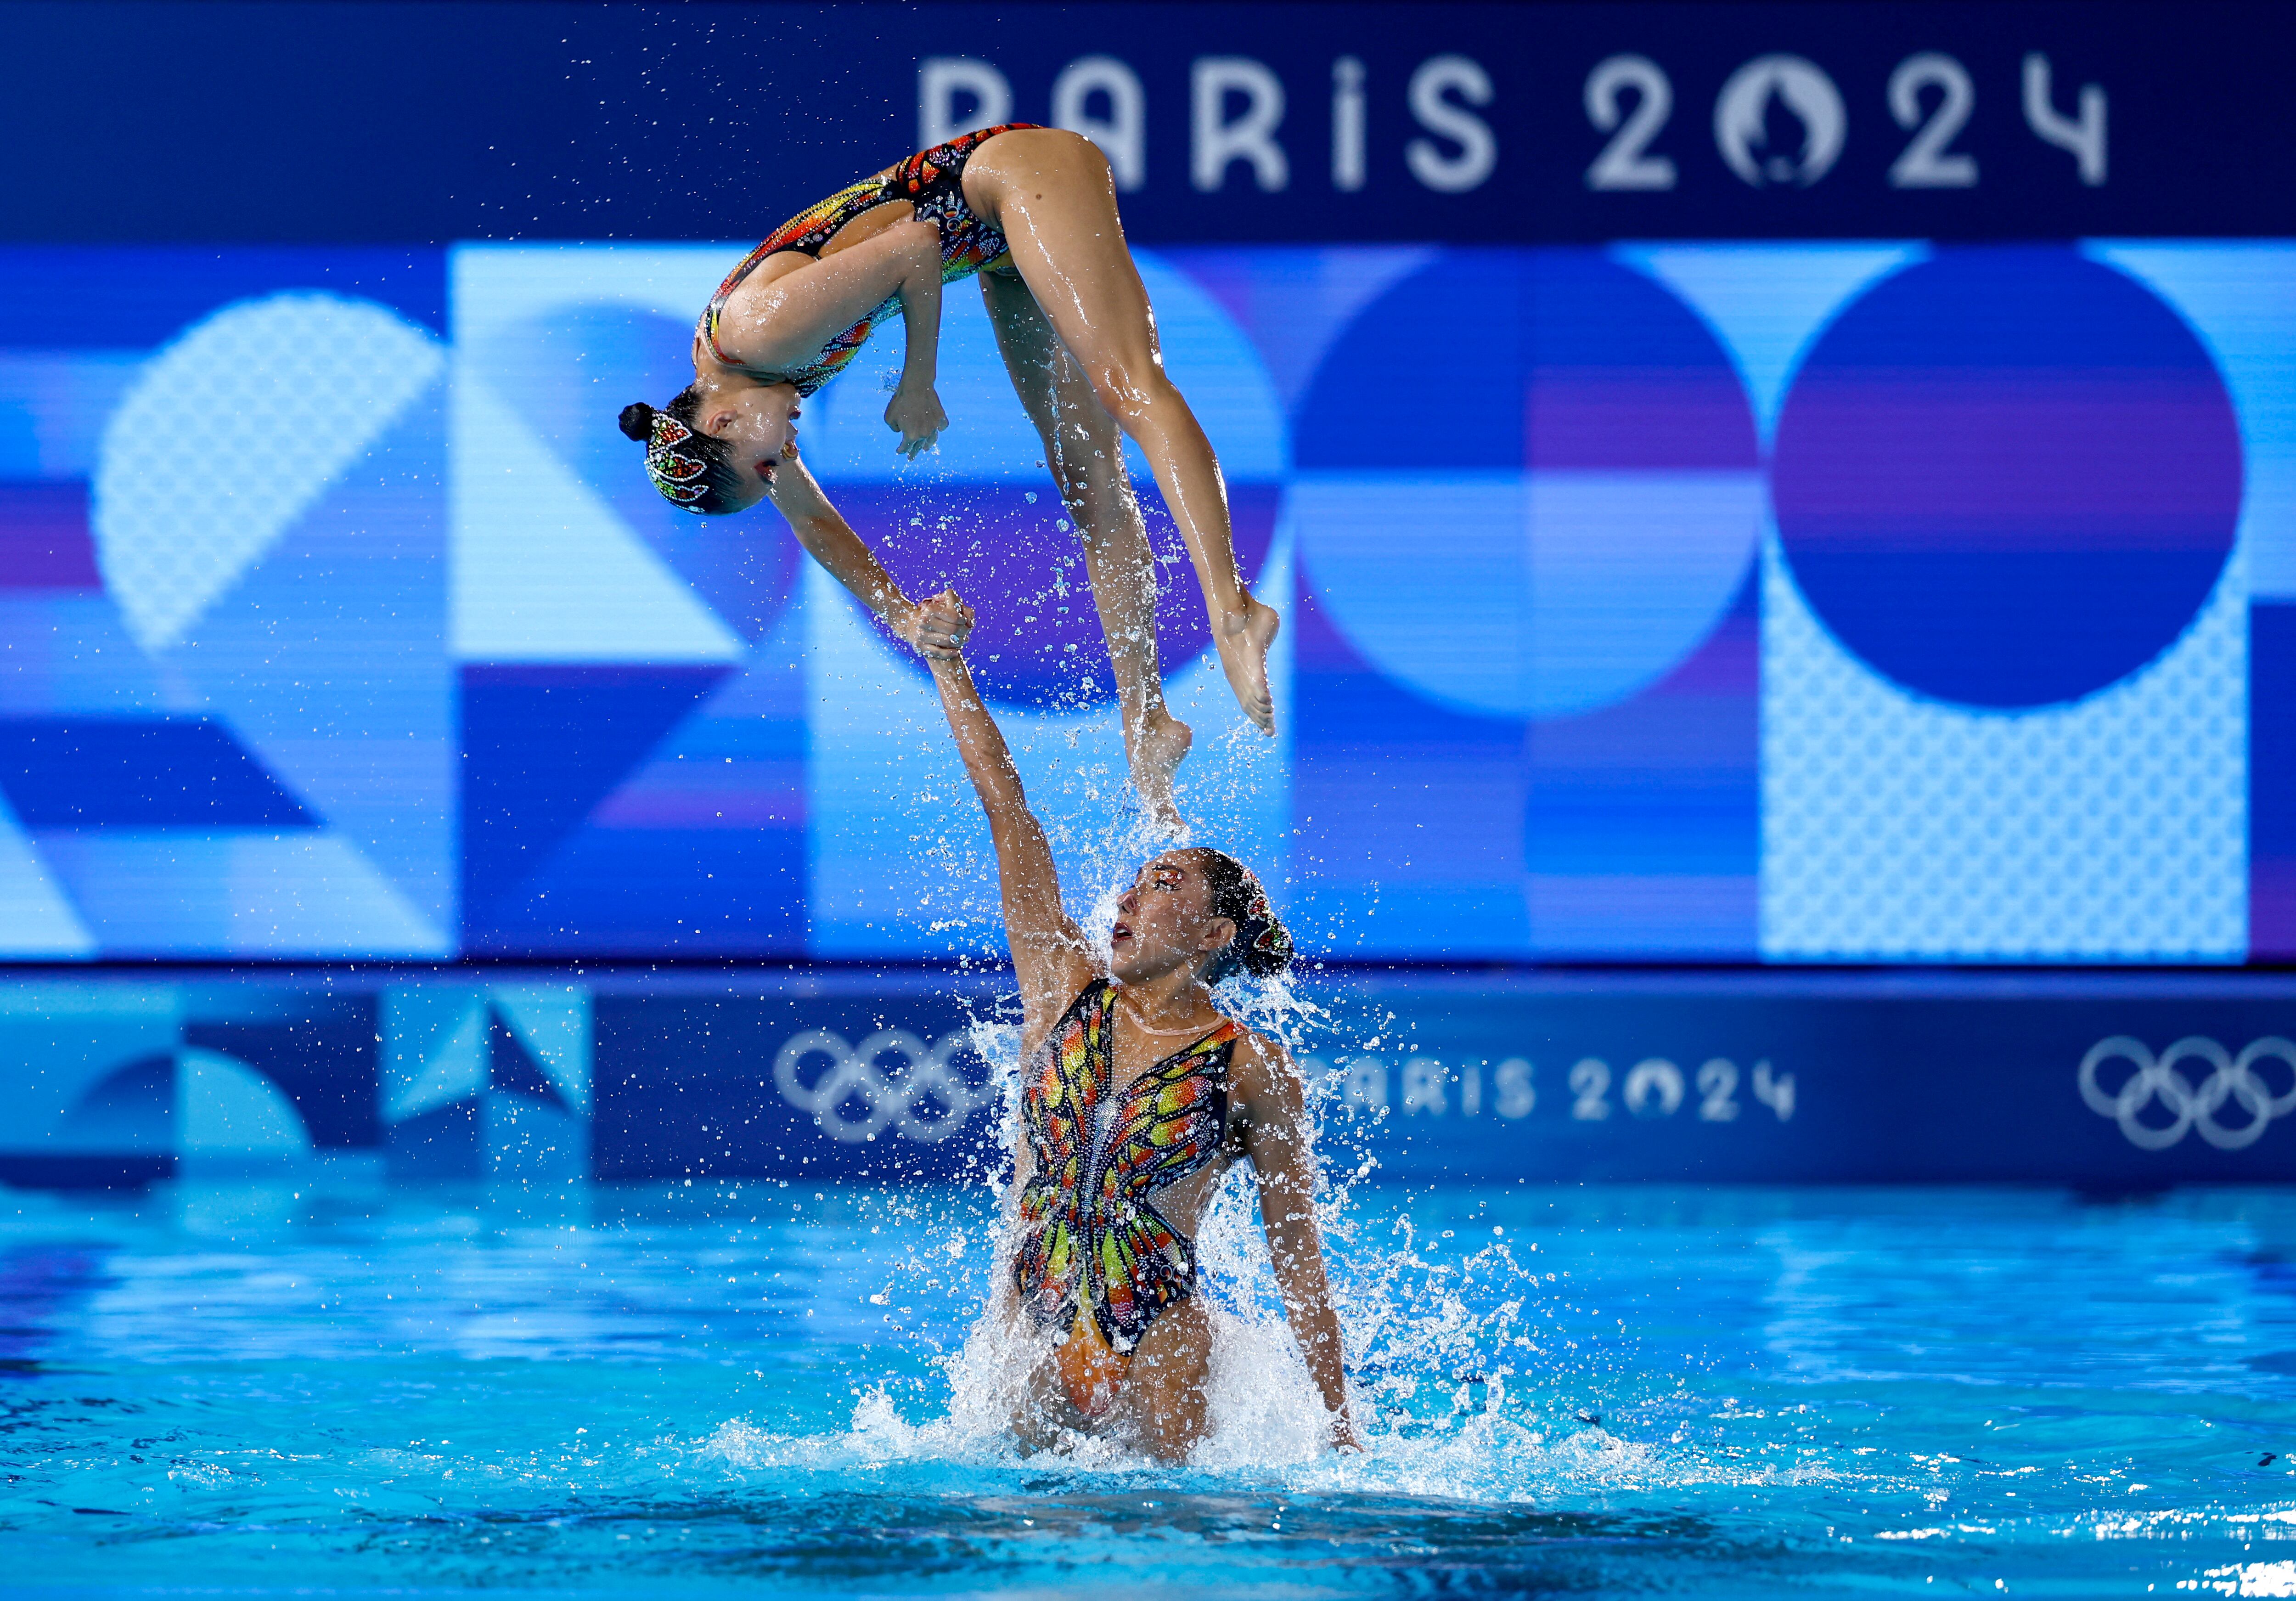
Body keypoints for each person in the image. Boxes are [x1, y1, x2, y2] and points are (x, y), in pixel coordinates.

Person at [617, 124, 1282, 834]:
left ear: (720, 427)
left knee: (1130, 386)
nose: (786, 460)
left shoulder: (757, 334)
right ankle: (1148, 722)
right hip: (993, 243)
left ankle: (1234, 609)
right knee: (1090, 486)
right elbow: (810, 520)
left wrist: (918, 384)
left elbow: (916, 249)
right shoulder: (747, 395)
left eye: (769, 465)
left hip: (1010, 175)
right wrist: (903, 614)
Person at [902, 587, 1356, 1462]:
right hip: (1028, 1332)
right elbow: (1009, 812)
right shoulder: (1062, 987)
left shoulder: (1250, 1068)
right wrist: (948, 664)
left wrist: (1341, 1433)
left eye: (1167, 885)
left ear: (1216, 935)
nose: (1132, 896)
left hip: (1158, 1342)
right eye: (1138, 879)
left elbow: (1300, 1266)